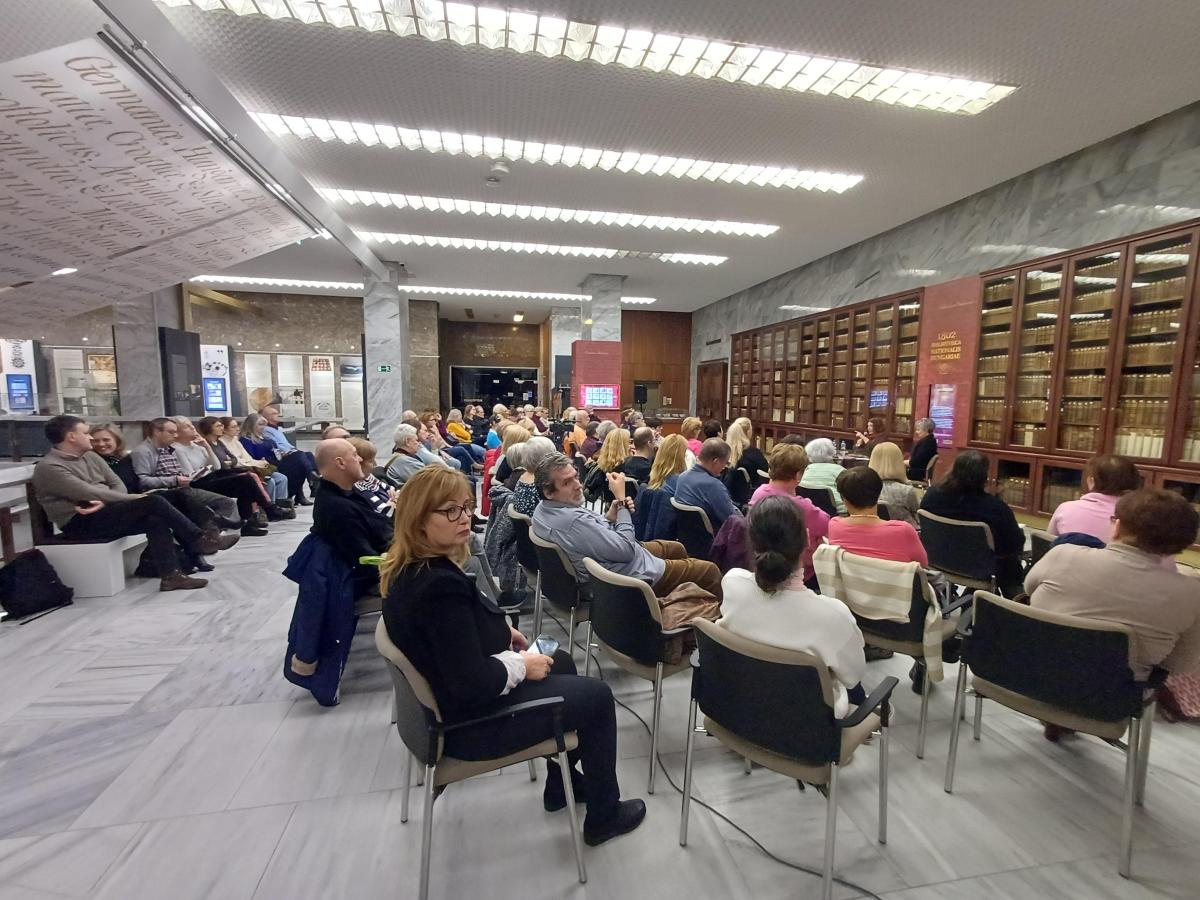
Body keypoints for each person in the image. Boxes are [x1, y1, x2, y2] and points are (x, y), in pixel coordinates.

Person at [382, 465, 646, 843]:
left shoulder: (415, 570)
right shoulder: (437, 589)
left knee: (561, 660)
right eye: (450, 511)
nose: (465, 517)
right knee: (598, 697)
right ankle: (605, 816)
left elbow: (449, 641)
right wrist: (520, 665)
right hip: (470, 726)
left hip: (455, 705)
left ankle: (561, 785)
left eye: (466, 507)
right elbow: (470, 683)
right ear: (418, 520)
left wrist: (500, 632)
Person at [1027, 489, 1200, 741]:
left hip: (1027, 673)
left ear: (1117, 527)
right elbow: (1180, 665)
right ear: (1183, 543)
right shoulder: (1192, 593)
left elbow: (1028, 590)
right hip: (1112, 697)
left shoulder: (1062, 554)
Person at [32, 415, 237, 591]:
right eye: (86, 433)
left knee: (160, 514)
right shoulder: (50, 467)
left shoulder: (90, 457)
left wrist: (105, 499)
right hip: (79, 521)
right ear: (71, 437)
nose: (91, 437)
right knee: (154, 501)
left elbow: (117, 485)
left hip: (105, 510)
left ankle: (172, 575)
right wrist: (133, 498)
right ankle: (201, 538)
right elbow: (88, 492)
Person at [718, 497, 867, 717]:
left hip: (740, 710)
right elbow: (853, 677)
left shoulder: (732, 583)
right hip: (807, 726)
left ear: (751, 541)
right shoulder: (833, 615)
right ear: (807, 539)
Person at [532, 453, 723, 599]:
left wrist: (610, 516)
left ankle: (677, 601)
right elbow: (626, 550)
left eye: (576, 477)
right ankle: (713, 632)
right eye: (567, 482)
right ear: (548, 492)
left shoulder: (542, 510)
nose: (578, 485)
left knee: (676, 548)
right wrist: (622, 503)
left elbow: (587, 535)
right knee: (709, 571)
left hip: (615, 561)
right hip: (628, 579)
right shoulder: (572, 521)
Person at [90, 423, 236, 547]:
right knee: (167, 500)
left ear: (117, 440)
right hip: (119, 505)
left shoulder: (124, 459)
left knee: (176, 498)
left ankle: (206, 535)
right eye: (96, 441)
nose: (101, 444)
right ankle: (203, 535)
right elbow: (135, 482)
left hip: (138, 497)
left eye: (106, 440)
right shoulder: (94, 461)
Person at [920, 449, 1025, 596]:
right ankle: (1013, 604)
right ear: (984, 476)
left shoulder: (931, 497)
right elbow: (1015, 545)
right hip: (982, 569)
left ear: (954, 469)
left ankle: (969, 597)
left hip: (938, 561)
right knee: (1010, 564)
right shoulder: (996, 508)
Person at [312, 438, 393, 598]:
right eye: (355, 455)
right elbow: (367, 560)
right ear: (340, 463)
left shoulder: (347, 493)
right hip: (377, 578)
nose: (360, 459)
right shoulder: (337, 507)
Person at [168, 417, 278, 533]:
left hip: (212, 475)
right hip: (199, 482)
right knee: (245, 480)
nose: (192, 428)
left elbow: (216, 466)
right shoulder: (177, 449)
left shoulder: (198, 445)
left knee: (246, 481)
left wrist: (206, 447)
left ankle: (250, 521)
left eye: (191, 425)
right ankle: (269, 508)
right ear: (177, 432)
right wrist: (206, 468)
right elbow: (190, 474)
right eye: (187, 426)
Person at [748, 442, 830, 588]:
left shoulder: (759, 492)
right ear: (798, 475)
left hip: (760, 564)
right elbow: (826, 525)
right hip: (800, 572)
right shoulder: (801, 506)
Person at [828, 467, 928, 566]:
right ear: (879, 492)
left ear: (843, 499)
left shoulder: (834, 525)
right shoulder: (904, 531)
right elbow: (923, 565)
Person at [1047, 454, 1142, 542]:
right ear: (1135, 482)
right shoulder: (1138, 518)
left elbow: (1048, 542)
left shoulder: (1065, 508)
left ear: (1091, 481)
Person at [242, 411, 316, 506]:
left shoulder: (266, 438)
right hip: (265, 464)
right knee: (300, 456)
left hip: (275, 461)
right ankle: (311, 475)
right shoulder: (247, 440)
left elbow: (275, 450)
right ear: (251, 425)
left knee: (305, 457)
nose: (263, 427)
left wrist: (281, 453)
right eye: (260, 425)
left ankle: (304, 484)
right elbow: (250, 456)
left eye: (264, 425)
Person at [216, 416, 291, 505]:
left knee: (281, 478)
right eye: (233, 427)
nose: (237, 429)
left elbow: (247, 458)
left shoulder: (235, 440)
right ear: (224, 430)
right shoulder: (224, 442)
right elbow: (236, 461)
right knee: (269, 481)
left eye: (237, 426)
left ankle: (281, 504)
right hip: (238, 470)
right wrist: (255, 463)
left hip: (250, 466)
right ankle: (269, 506)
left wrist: (259, 463)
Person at [674, 438, 742, 532]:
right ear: (715, 461)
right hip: (716, 537)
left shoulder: (682, 477)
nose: (724, 467)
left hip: (686, 536)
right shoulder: (714, 485)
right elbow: (733, 521)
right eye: (725, 462)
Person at [869, 441, 921, 528]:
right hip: (904, 533)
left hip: (873, 531)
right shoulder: (906, 491)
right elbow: (919, 517)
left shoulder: (864, 489)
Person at [349, 436, 397, 521]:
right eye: (371, 461)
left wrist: (393, 499)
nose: (375, 464)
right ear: (359, 463)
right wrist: (395, 500)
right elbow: (387, 512)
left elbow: (391, 488)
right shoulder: (359, 488)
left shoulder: (368, 477)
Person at [584, 428, 634, 505]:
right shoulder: (627, 465)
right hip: (624, 505)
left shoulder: (603, 463)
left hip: (609, 505)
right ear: (624, 445)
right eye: (630, 442)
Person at [512, 435, 556, 516]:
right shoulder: (542, 484)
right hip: (540, 521)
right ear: (549, 457)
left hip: (527, 521)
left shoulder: (522, 477)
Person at [800, 438, 846, 514]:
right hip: (836, 512)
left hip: (808, 510)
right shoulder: (840, 470)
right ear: (831, 451)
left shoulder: (805, 470)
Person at [726, 418, 769, 485]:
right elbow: (766, 473)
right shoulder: (754, 454)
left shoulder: (724, 452)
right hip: (753, 490)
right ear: (748, 432)